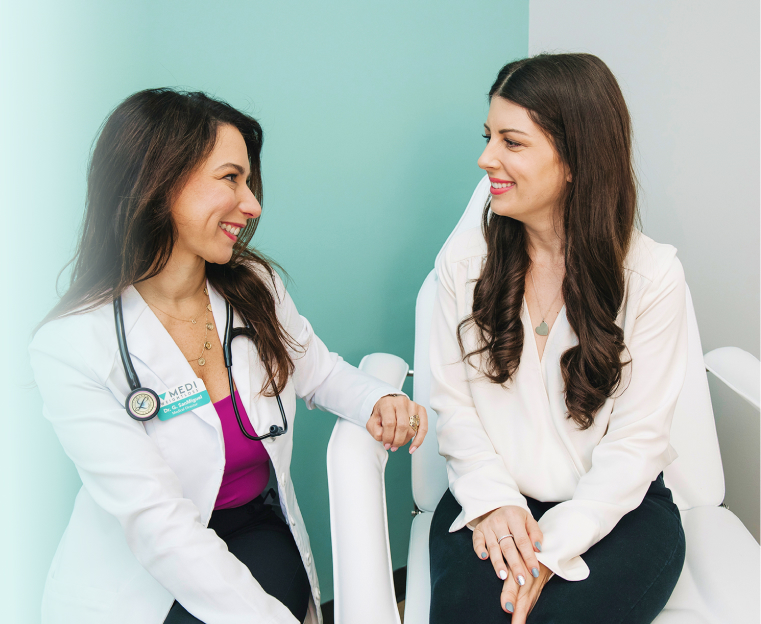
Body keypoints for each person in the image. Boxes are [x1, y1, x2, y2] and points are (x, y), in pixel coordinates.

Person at [30, 88, 427, 624]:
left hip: (252, 530)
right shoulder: (72, 345)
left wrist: (376, 397)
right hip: (140, 567)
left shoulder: (252, 287)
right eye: (230, 178)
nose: (253, 204)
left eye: (249, 180)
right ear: (161, 181)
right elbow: (160, 525)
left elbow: (319, 371)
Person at [428, 54, 687, 624]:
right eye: (488, 135)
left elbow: (637, 444)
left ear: (574, 160)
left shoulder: (652, 277)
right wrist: (494, 504)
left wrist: (551, 549)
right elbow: (454, 408)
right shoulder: (464, 266)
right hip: (490, 503)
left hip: (618, 513)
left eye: (511, 142)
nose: (485, 157)